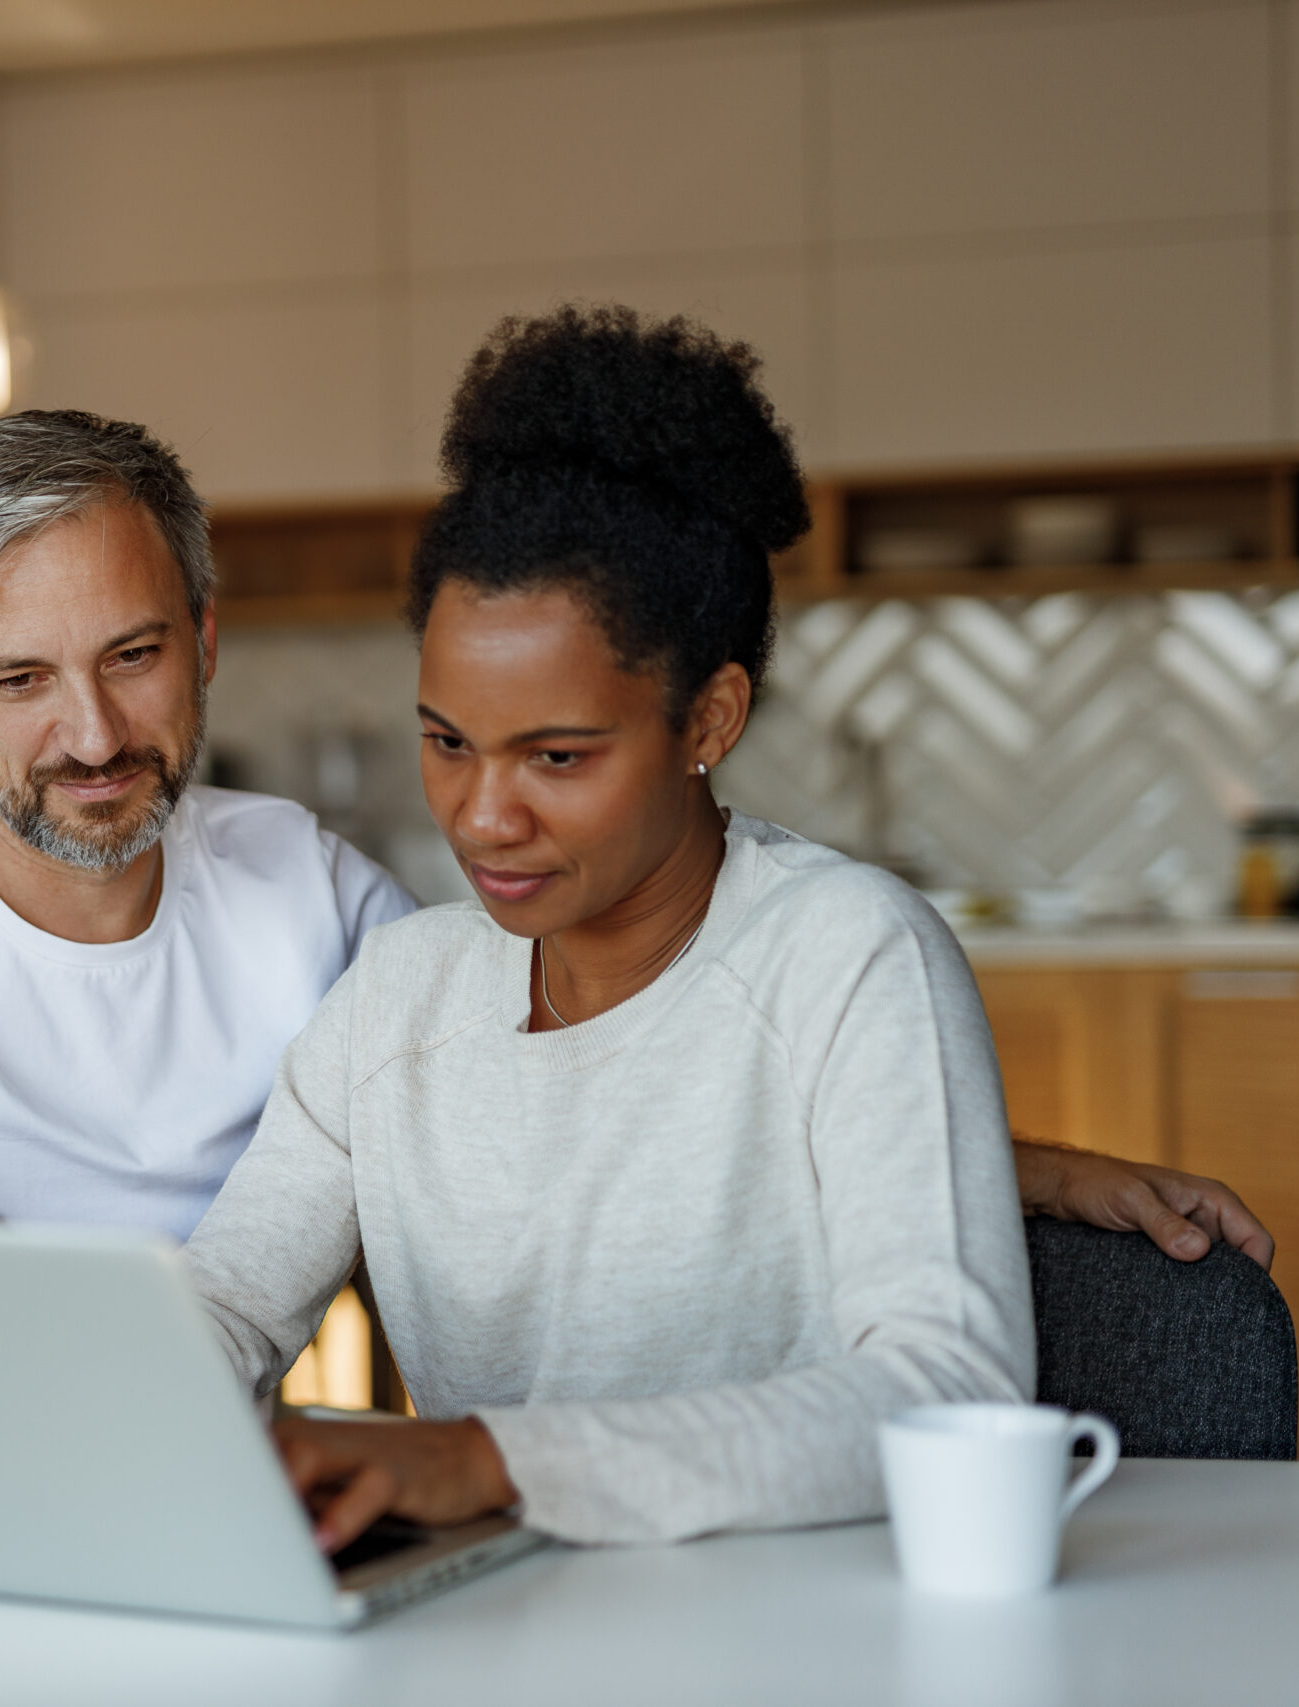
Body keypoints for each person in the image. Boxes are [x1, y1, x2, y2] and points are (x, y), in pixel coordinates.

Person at [0, 409, 1274, 1264]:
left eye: (134, 657)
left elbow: (604, 1113)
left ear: (209, 639)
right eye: (19, 679)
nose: (91, 736)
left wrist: (997, 1164)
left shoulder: (305, 889)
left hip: (212, 1463)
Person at [179, 307, 1115, 1554]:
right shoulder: (396, 999)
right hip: (494, 1636)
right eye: (445, 741)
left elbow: (945, 1385)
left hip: (800, 1635)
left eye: (555, 756)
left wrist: (484, 1458)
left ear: (708, 719)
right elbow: (224, 1307)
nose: (482, 814)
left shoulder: (847, 955)